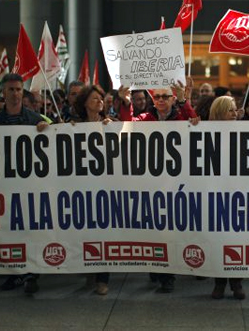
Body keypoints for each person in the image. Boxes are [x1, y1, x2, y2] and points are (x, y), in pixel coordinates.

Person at [118, 81, 198, 292]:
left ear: (172, 99)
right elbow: (127, 125)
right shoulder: (145, 118)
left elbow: (195, 123)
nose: (161, 100)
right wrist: (125, 103)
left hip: (176, 185)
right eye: (158, 97)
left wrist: (184, 100)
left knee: (170, 231)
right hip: (151, 185)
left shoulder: (181, 116)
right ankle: (158, 267)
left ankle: (167, 275)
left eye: (165, 96)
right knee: (154, 230)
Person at [0, 73, 49, 295]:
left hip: (31, 187)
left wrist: (46, 128)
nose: (15, 94)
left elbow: (57, 135)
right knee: (10, 230)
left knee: (30, 230)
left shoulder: (35, 119)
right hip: (6, 187)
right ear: (3, 93)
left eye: (18, 90)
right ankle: (14, 274)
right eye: (11, 90)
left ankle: (31, 273)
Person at [72, 85, 112, 295]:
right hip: (82, 188)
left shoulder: (110, 124)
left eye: (101, 98)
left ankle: (102, 279)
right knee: (86, 231)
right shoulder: (74, 126)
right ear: (85, 102)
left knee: (103, 232)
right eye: (95, 98)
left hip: (105, 187)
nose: (99, 101)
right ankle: (89, 270)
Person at [208, 96, 247, 300]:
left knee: (236, 238)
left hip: (237, 193)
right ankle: (219, 282)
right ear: (218, 113)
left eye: (235, 110)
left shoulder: (244, 132)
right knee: (217, 239)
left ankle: (237, 282)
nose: (235, 113)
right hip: (214, 193)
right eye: (230, 110)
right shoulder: (205, 132)